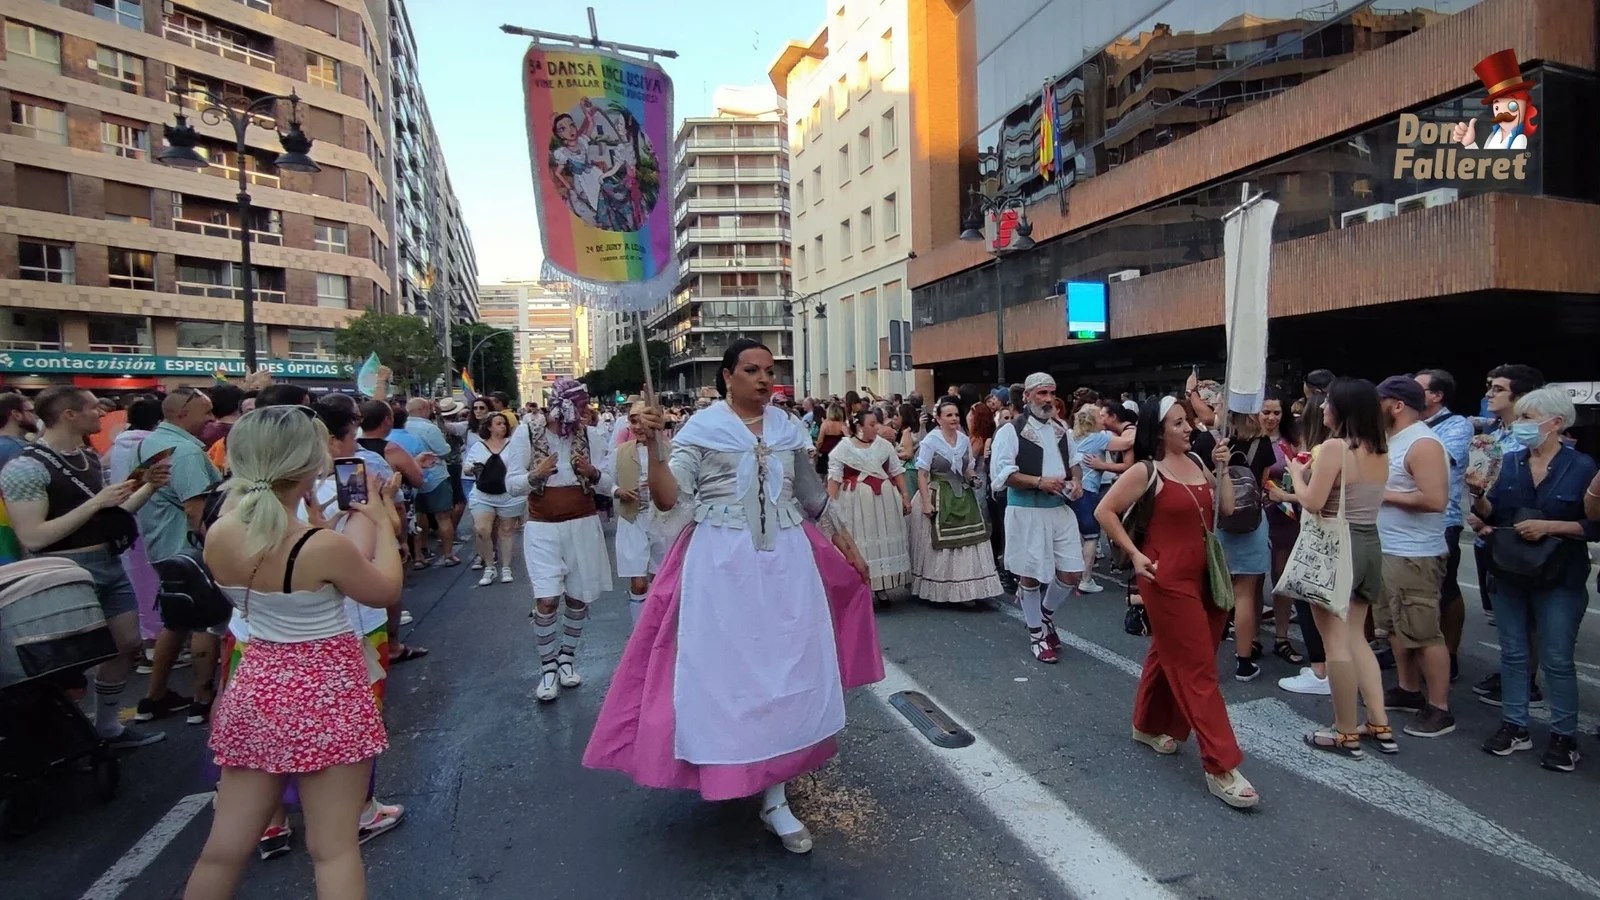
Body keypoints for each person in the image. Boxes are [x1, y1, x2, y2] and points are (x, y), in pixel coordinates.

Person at [583, 339, 881, 855]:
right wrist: (655, 448)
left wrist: (846, 541)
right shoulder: (701, 429)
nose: (764, 379)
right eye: (752, 370)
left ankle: (775, 795)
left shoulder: (788, 428)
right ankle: (731, 766)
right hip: (721, 567)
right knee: (732, 674)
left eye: (769, 370)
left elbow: (810, 497)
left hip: (788, 563)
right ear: (727, 376)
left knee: (788, 669)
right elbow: (670, 497)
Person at [182, 407, 404, 900]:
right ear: (308, 464)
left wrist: (330, 523)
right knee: (334, 849)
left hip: (258, 685)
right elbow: (384, 589)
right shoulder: (320, 545)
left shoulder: (220, 533)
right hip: (326, 692)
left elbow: (289, 563)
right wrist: (383, 524)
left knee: (223, 848)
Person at [1095, 395, 1257, 809]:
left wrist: (1220, 469)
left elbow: (1226, 508)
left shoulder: (1200, 464)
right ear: (1160, 430)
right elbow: (1105, 511)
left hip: (1207, 574)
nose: (1189, 428)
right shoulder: (1145, 470)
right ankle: (1221, 765)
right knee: (1199, 667)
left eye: (1188, 421)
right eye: (1179, 423)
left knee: (1168, 652)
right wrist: (1134, 553)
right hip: (1165, 577)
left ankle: (1147, 724)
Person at [1, 386, 170, 749]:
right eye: (94, 408)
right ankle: (60, 739)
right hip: (62, 572)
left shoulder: (87, 456)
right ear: (69, 415)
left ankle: (108, 728)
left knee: (127, 645)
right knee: (70, 662)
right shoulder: (26, 467)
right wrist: (97, 503)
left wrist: (148, 488)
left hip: (107, 561)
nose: (103, 413)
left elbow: (110, 515)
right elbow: (34, 537)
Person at [1471, 387, 1597, 771]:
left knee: (1558, 658)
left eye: (1528, 418)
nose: (1520, 425)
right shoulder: (1507, 462)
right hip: (1510, 571)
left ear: (1555, 423)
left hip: (1560, 575)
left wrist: (1550, 526)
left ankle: (1564, 735)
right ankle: (1515, 725)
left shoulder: (1584, 467)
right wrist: (1477, 499)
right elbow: (1493, 516)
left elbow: (1594, 524)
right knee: (1512, 653)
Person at [1286, 379, 1395, 757]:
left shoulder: (1334, 448)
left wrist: (1298, 477)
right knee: (1356, 637)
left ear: (1343, 410)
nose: (1322, 409)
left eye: (1328, 404)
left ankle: (1345, 730)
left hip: (1335, 548)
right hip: (1368, 543)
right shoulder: (1380, 449)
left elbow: (1314, 502)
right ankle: (1379, 722)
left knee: (1334, 641)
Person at [504, 377, 613, 702]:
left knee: (578, 598)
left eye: (583, 407)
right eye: (578, 406)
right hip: (542, 529)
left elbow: (608, 484)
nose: (582, 413)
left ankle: (567, 659)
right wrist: (535, 476)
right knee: (548, 599)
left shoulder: (592, 436)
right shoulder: (526, 434)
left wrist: (593, 474)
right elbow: (511, 484)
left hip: (582, 526)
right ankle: (548, 666)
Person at [134, 387, 225, 725]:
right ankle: (202, 698)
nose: (212, 419)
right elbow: (195, 509)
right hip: (190, 552)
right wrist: (219, 548)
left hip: (163, 547)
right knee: (206, 619)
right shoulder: (185, 452)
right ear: (183, 414)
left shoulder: (148, 443)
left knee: (176, 620)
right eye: (207, 411)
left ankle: (153, 696)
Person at [1373, 375, 1454, 738]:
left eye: (1379, 402)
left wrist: (1381, 493)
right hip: (1387, 549)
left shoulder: (1423, 443)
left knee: (1423, 631)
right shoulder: (1393, 440)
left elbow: (1435, 500)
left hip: (1414, 554)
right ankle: (1408, 689)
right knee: (1393, 626)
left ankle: (1439, 706)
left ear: (1397, 405)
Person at [990, 373, 1085, 663]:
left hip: (1058, 510)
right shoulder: (1010, 431)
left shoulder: (1062, 430)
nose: (1047, 399)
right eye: (1041, 393)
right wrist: (1038, 482)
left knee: (1072, 572)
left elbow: (1075, 464)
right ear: (1027, 397)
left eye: (1051, 393)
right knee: (1030, 575)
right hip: (1027, 511)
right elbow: (1002, 476)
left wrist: (1077, 482)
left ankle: (1044, 615)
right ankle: (1037, 636)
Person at [910, 398, 1001, 607]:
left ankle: (975, 588)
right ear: (938, 418)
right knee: (942, 545)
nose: (953, 419)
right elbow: (922, 474)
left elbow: (967, 468)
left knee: (973, 541)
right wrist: (925, 503)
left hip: (962, 494)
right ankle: (948, 589)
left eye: (956, 415)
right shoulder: (930, 441)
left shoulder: (962, 440)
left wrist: (973, 479)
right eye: (949, 415)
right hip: (938, 493)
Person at [1217, 410, 1277, 682]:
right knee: (1246, 594)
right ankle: (1244, 661)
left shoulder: (1216, 443)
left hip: (1221, 521)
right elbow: (1263, 482)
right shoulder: (1262, 443)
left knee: (1217, 590)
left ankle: (1207, 655)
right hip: (1252, 522)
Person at [828, 409, 911, 600]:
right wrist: (829, 508)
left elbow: (896, 471)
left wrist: (905, 495)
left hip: (884, 501)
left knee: (882, 535)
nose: (876, 428)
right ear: (859, 426)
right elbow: (834, 478)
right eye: (872, 424)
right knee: (860, 539)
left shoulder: (884, 446)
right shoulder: (843, 449)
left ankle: (881, 586)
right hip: (856, 502)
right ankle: (860, 585)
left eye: (877, 423)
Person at [605, 403, 672, 624]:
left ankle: (656, 628)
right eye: (634, 421)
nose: (639, 427)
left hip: (662, 522)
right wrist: (618, 491)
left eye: (644, 420)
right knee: (638, 582)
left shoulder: (672, 450)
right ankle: (639, 635)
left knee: (659, 580)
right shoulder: (619, 453)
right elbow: (607, 482)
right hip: (631, 520)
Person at [463, 411, 521, 586]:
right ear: (488, 426)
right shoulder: (478, 447)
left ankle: (506, 567)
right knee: (482, 529)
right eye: (498, 423)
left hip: (508, 494)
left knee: (506, 531)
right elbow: (466, 466)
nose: (502, 426)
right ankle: (489, 566)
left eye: (504, 424)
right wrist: (471, 469)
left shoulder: (513, 445)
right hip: (483, 494)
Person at [405, 398, 459, 567]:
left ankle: (420, 554)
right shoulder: (429, 428)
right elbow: (444, 451)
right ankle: (448, 554)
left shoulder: (402, 426)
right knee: (443, 516)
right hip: (435, 476)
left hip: (411, 476)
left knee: (418, 516)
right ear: (422, 409)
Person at [1068, 405, 1110, 595]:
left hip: (1070, 490)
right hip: (1088, 490)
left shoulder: (1073, 437)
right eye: (1101, 416)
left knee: (1074, 536)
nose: (1104, 419)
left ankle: (1070, 576)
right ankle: (1085, 578)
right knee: (1091, 536)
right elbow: (1126, 442)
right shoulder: (1098, 438)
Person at [0, 393, 39, 567]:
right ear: (16, 414)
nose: (35, 416)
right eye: (31, 411)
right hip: (15, 535)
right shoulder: (19, 450)